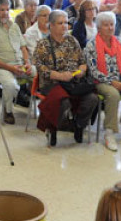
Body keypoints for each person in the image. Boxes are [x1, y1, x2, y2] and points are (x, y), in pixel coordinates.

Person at [32, 10, 99, 145]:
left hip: (74, 82)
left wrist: (81, 70)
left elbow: (83, 62)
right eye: (60, 23)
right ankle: (55, 128)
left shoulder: (72, 40)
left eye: (66, 23)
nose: (64, 26)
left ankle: (79, 126)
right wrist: (59, 76)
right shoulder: (43, 44)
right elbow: (40, 67)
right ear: (51, 25)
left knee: (92, 99)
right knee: (63, 102)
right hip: (53, 82)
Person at [87, 12, 121, 151]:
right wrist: (112, 82)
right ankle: (109, 132)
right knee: (114, 95)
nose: (110, 27)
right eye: (106, 25)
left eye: (112, 24)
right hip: (101, 81)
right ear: (99, 28)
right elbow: (93, 71)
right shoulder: (91, 45)